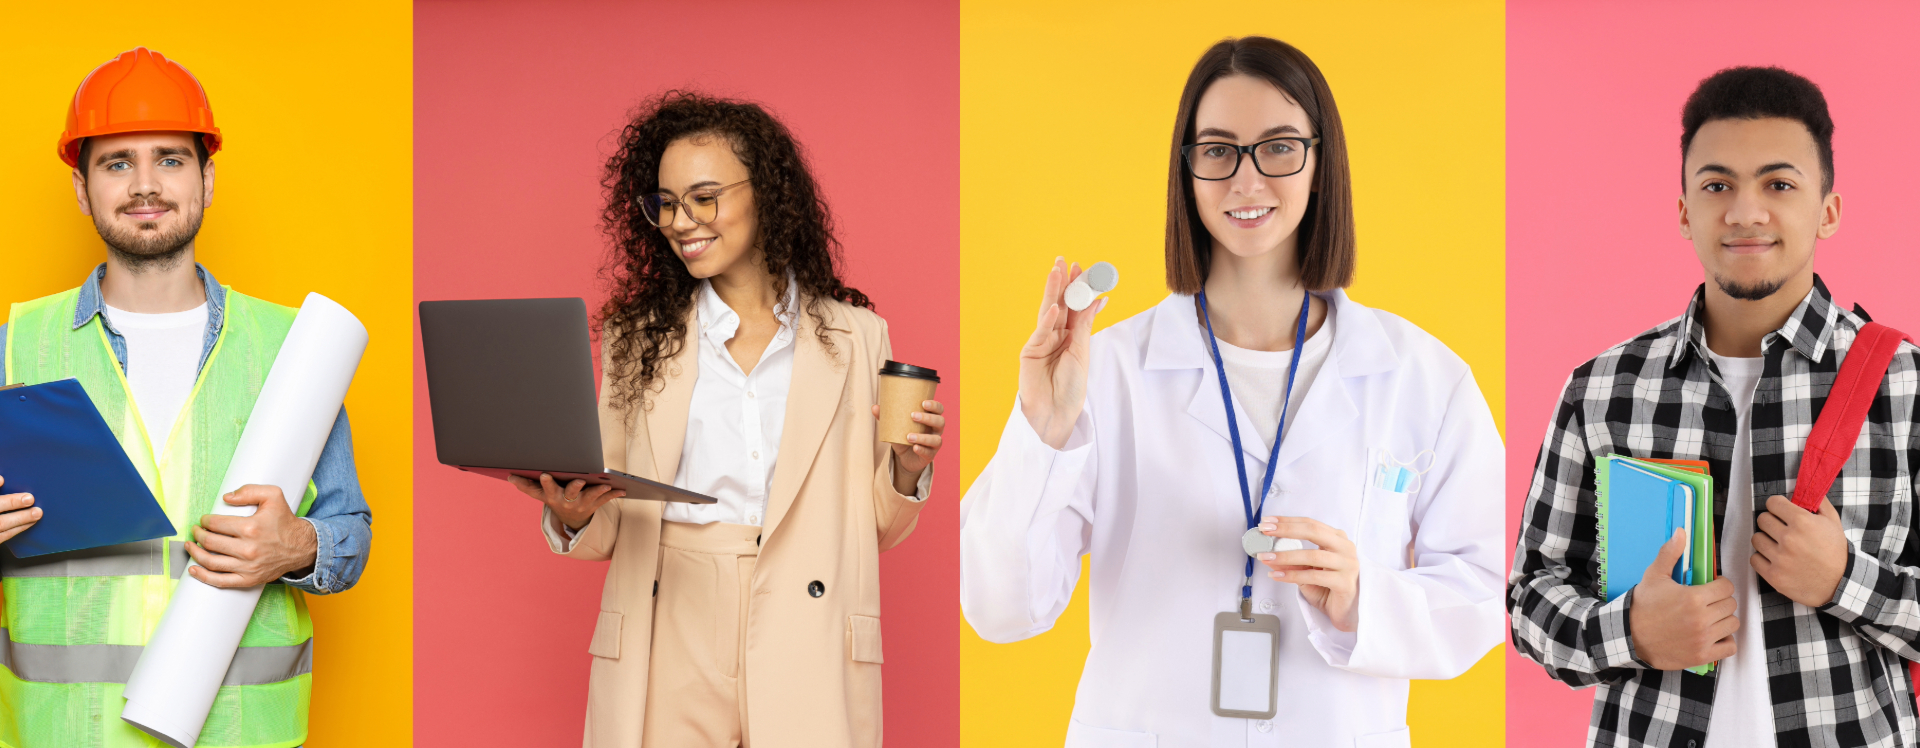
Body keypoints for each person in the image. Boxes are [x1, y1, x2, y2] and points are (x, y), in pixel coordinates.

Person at [959, 36, 1504, 747]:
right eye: (1217, 151)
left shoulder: (1422, 380)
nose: (1247, 182)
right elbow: (1002, 610)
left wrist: (1363, 597)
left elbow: (1490, 589)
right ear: (1186, 172)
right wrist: (1043, 429)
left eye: (1278, 147)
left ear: (1321, 161)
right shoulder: (1108, 371)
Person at [509, 90, 946, 748]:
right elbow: (605, 527)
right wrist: (570, 514)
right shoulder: (638, 338)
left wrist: (907, 470)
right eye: (665, 203)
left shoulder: (857, 337)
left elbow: (874, 531)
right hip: (669, 617)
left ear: (765, 194)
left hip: (810, 623)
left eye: (704, 197)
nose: (682, 221)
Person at [1509, 66, 1920, 747]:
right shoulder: (1603, 387)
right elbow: (1530, 597)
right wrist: (1632, 632)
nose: (1745, 212)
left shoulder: (1904, 385)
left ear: (1828, 210)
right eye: (1717, 185)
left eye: (1779, 184)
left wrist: (1846, 580)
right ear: (1684, 211)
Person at [0, 47, 373, 748]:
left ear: (206, 177)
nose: (146, 185)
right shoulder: (14, 348)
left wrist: (299, 545)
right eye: (117, 162)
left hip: (239, 733)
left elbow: (350, 532)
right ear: (81, 188)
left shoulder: (294, 352)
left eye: (170, 159)